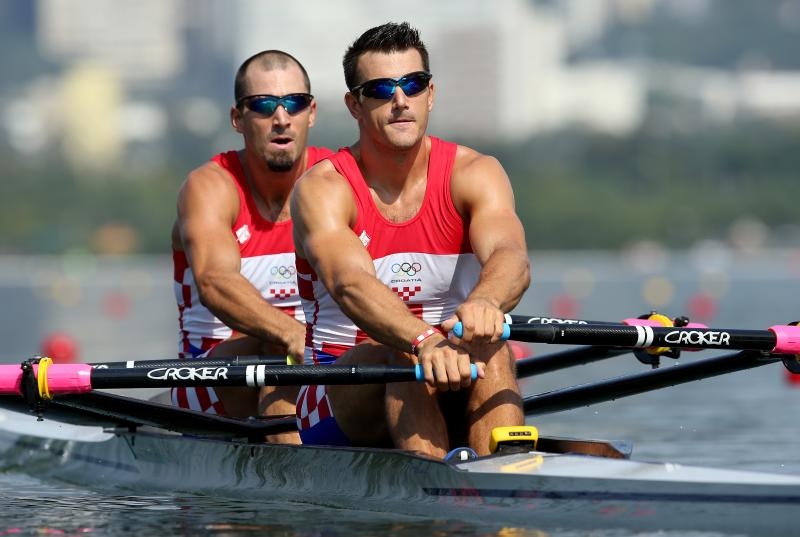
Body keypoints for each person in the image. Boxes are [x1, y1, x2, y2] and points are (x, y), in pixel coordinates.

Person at [291, 22, 529, 457]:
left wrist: (488, 302)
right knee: (400, 359)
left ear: (430, 95)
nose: (401, 101)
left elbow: (510, 255)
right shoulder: (324, 189)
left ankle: (506, 493)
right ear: (354, 105)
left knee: (492, 350)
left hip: (453, 372)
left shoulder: (475, 173)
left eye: (413, 85)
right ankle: (437, 500)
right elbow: (349, 283)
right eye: (381, 89)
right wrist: (423, 341)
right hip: (339, 397)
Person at [171, 50, 332, 442]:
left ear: (311, 113)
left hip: (320, 367)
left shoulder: (336, 179)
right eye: (262, 106)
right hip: (213, 383)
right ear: (237, 119)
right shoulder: (210, 187)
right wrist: (294, 336)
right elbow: (214, 282)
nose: (281, 118)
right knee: (277, 346)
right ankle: (293, 487)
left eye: (293, 103)